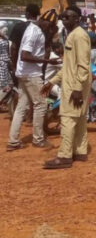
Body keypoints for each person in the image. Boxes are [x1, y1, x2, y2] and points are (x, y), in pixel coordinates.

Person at [40, 6, 92, 169]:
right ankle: (80, 151)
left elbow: (83, 65)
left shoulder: (79, 36)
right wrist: (52, 82)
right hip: (73, 83)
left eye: (68, 17)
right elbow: (68, 66)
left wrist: (77, 88)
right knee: (80, 119)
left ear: (77, 19)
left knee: (68, 119)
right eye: (63, 18)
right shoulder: (72, 35)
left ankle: (64, 156)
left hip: (76, 86)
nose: (64, 20)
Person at [7, 10, 60, 151]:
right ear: (45, 21)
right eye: (50, 25)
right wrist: (47, 60)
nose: (49, 28)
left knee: (21, 107)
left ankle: (13, 141)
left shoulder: (34, 30)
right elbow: (25, 55)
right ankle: (38, 139)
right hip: (31, 74)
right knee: (41, 104)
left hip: (24, 73)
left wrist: (52, 32)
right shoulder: (34, 32)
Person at [8, 4, 41, 81]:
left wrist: (13, 67)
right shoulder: (40, 28)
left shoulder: (19, 26)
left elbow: (13, 48)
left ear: (27, 13)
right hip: (36, 69)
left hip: (21, 68)